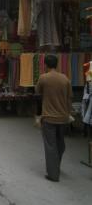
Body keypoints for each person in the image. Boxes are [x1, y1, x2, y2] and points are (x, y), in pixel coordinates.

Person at [36, 54, 72, 182]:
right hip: (63, 117)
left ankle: (53, 174)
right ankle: (56, 165)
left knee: (51, 146)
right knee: (60, 143)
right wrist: (68, 113)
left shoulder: (43, 78)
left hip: (49, 117)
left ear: (45, 65)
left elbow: (38, 92)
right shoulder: (65, 78)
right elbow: (69, 98)